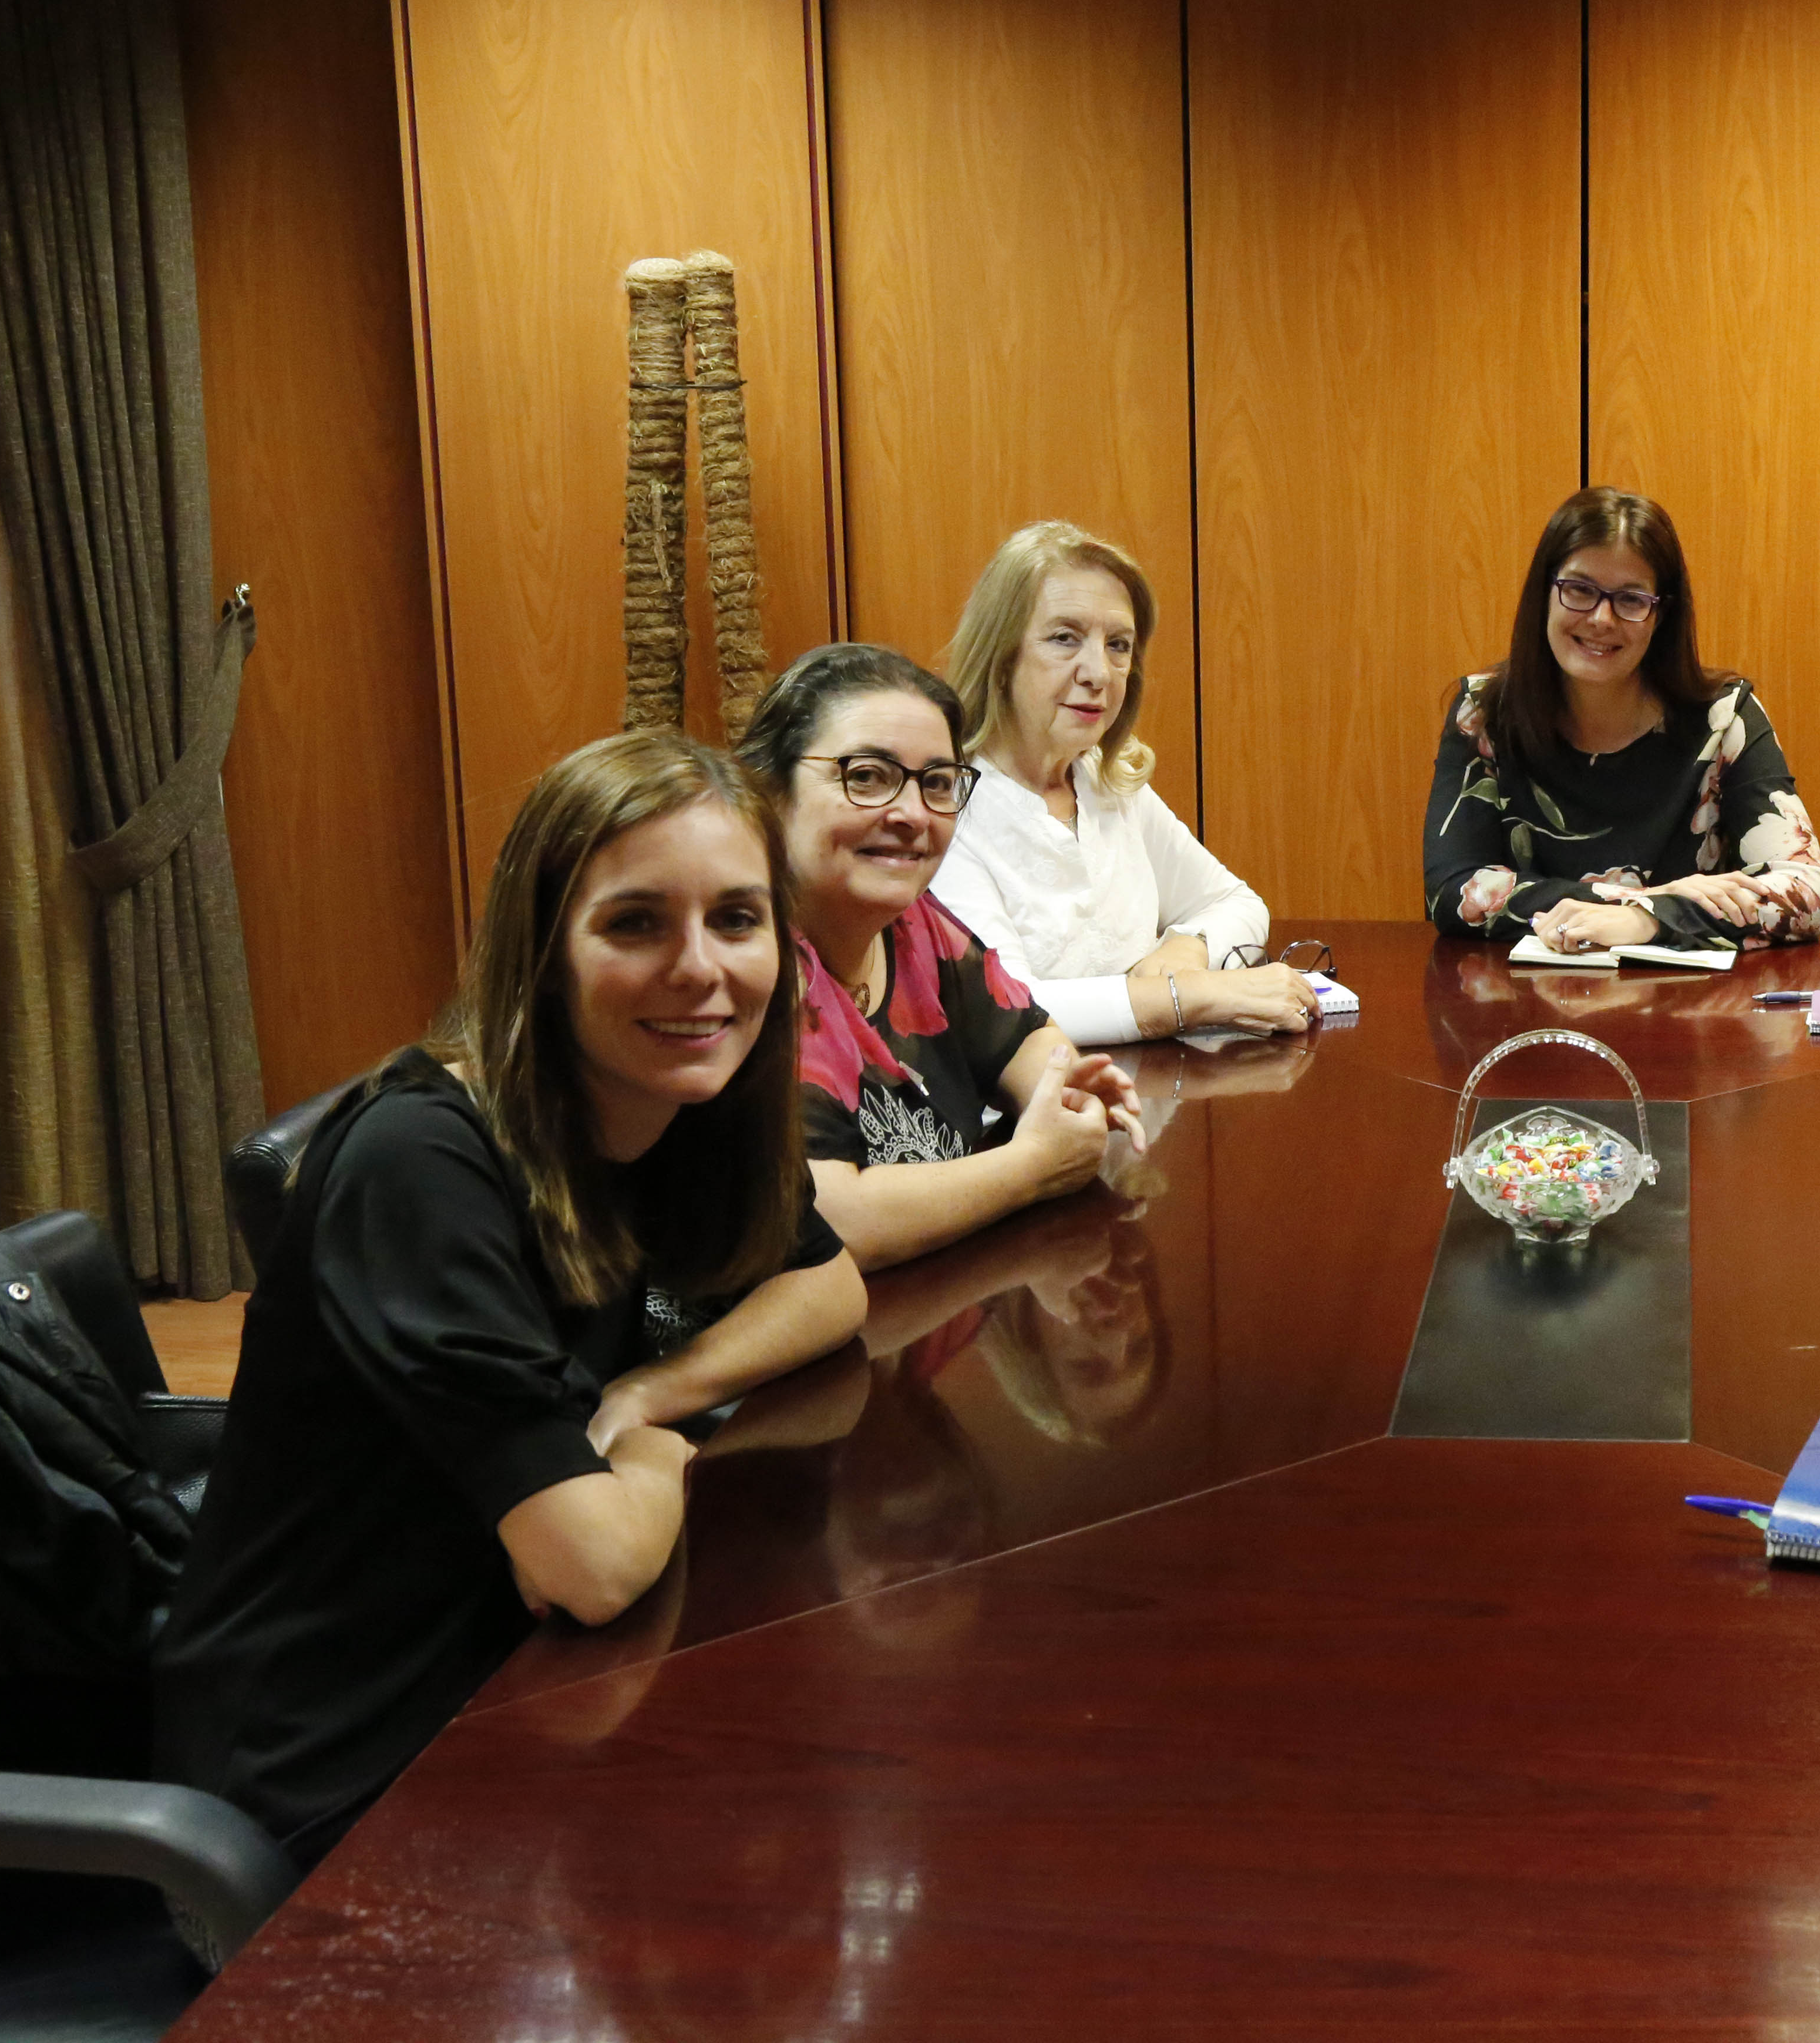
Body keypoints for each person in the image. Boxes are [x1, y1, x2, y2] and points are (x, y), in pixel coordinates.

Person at [154, 732, 869, 1860]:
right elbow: (592, 1566)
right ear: (542, 952)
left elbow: (830, 1288)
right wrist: (656, 1455)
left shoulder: (678, 1095)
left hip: (520, 1683)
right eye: (636, 923)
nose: (700, 968)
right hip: (334, 1780)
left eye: (737, 918)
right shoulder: (419, 1160)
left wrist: (647, 1394)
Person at [736, 643, 1145, 1271]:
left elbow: (1027, 1039)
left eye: (936, 784)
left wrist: (1066, 1097)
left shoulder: (913, 927)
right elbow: (829, 1223)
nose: (911, 814)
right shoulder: (742, 965)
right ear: (769, 790)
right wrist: (1032, 1166)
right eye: (866, 777)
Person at [933, 522, 1314, 1046]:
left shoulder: (1110, 781)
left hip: (1152, 1088)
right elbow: (1009, 1007)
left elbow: (1238, 904)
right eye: (1064, 638)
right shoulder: (944, 805)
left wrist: (1190, 948)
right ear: (1001, 656)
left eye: (1118, 645)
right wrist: (1191, 998)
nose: (1100, 673)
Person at [1424, 485, 1820, 952]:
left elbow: (1804, 893)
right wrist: (1643, 903)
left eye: (1631, 600)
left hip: (1692, 997)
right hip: (1525, 995)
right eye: (1579, 590)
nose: (1601, 618)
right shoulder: (1484, 713)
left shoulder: (1724, 719)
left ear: (1661, 615)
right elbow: (1452, 889)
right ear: (1544, 593)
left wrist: (1646, 921)